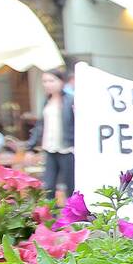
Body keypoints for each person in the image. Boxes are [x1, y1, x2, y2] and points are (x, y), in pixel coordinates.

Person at [29, 69, 75, 200]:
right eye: (44, 81)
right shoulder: (46, 101)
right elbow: (40, 125)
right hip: (49, 148)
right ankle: (51, 217)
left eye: (51, 80)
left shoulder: (70, 100)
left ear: (61, 82)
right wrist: (30, 147)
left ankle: (72, 216)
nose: (47, 84)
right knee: (48, 186)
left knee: (70, 186)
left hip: (67, 149)